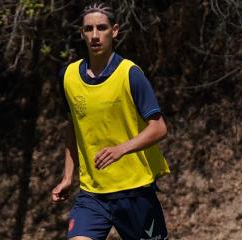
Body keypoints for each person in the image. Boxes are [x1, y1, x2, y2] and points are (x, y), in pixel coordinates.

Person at [51, 2, 171, 240]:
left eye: (101, 28)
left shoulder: (130, 74)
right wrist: (67, 177)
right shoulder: (69, 77)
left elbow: (159, 128)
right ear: (81, 33)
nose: (95, 35)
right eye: (88, 29)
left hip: (134, 192)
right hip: (92, 194)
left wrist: (121, 149)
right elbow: (74, 128)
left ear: (114, 31)